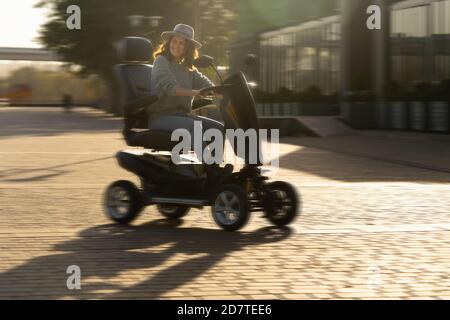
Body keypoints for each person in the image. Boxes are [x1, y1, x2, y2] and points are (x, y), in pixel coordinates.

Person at [149, 24, 224, 163]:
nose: (176, 46)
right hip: (161, 117)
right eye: (174, 41)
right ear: (169, 42)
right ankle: (209, 168)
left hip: (182, 116)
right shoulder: (161, 61)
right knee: (194, 127)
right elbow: (173, 88)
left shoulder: (188, 68)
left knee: (218, 128)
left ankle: (216, 165)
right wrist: (197, 93)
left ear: (187, 47)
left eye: (181, 43)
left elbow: (207, 85)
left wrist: (224, 92)